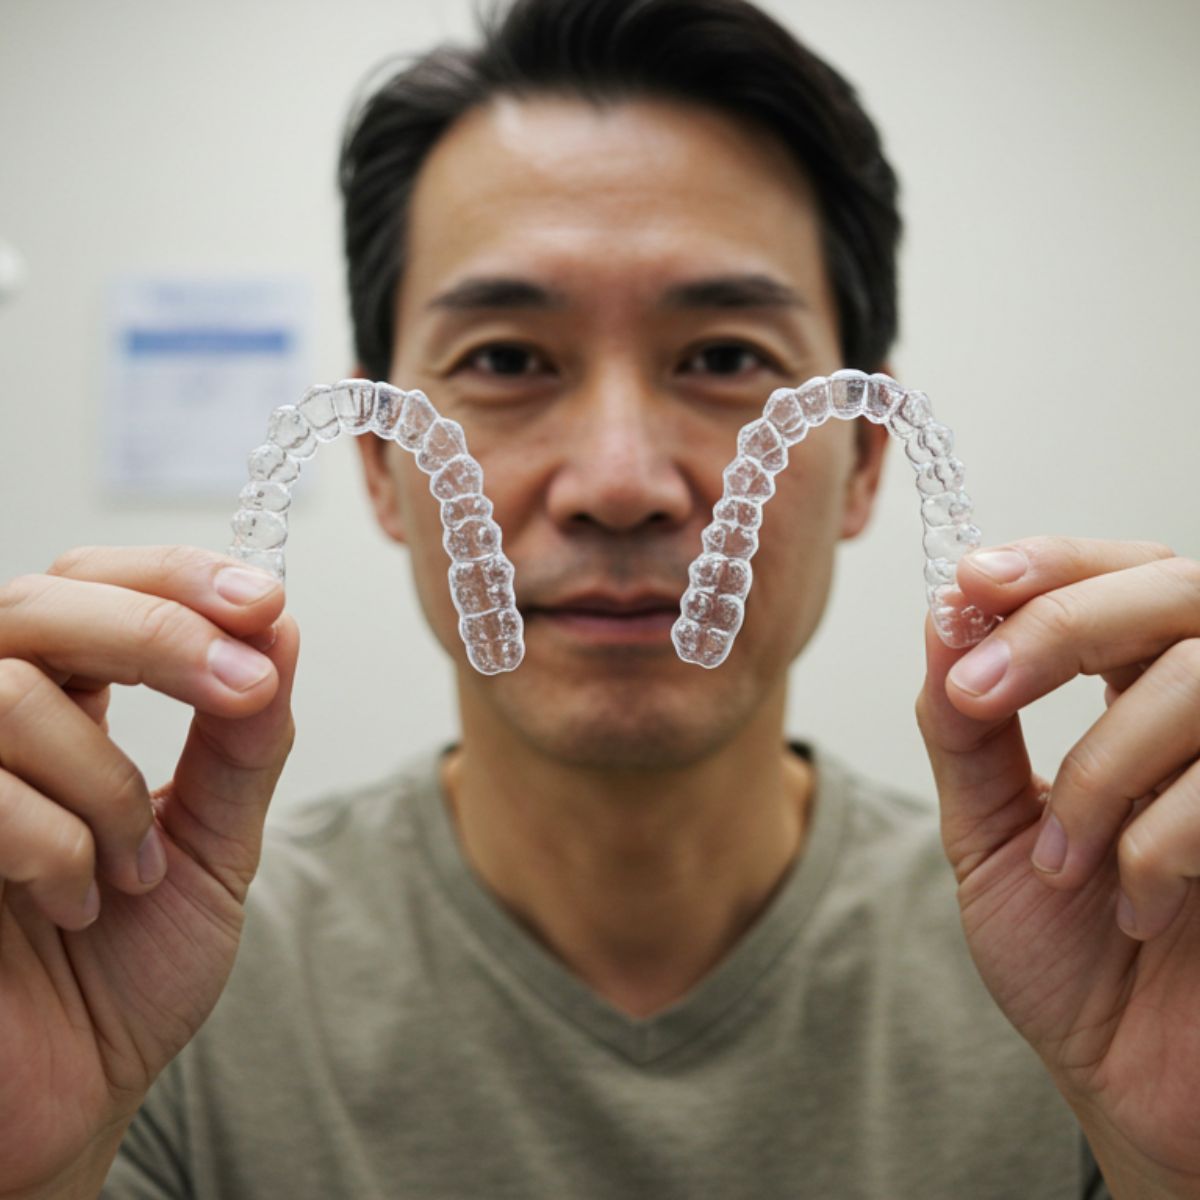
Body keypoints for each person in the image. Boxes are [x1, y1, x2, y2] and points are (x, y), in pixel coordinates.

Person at [2, 0, 1197, 1196]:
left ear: (867, 458)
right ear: (379, 463)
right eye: (509, 361)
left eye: (726, 357)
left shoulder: (1121, 956)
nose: (619, 484)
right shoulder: (125, 981)